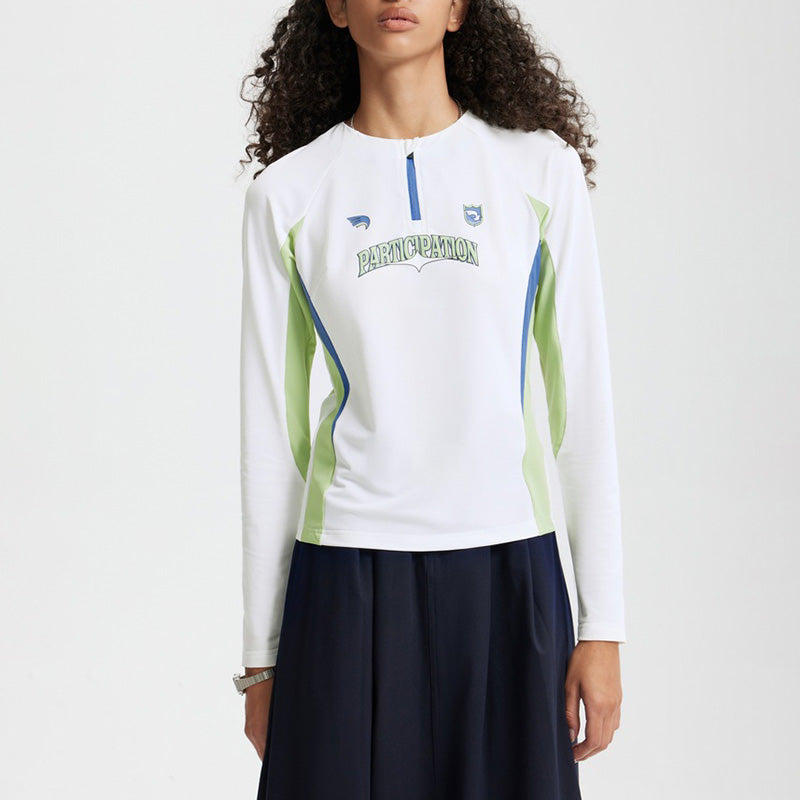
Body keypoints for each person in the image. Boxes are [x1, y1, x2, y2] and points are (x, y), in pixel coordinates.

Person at [234, 0, 626, 797]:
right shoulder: (288, 194)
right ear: (336, 8)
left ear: (457, 9)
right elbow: (270, 434)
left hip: (509, 574)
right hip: (346, 577)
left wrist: (604, 626)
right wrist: (261, 658)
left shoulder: (539, 172)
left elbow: (582, 407)